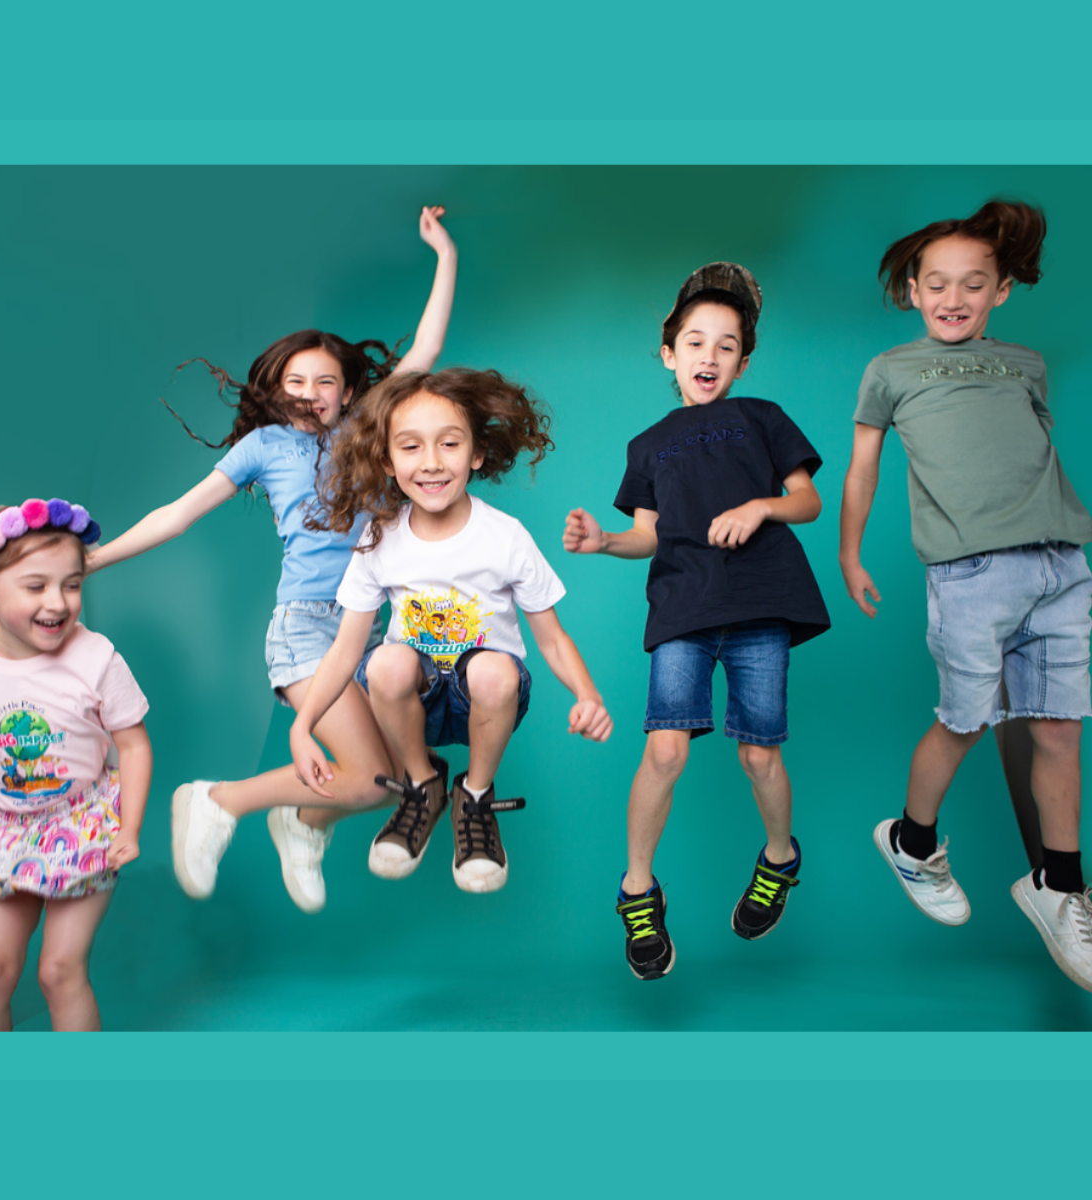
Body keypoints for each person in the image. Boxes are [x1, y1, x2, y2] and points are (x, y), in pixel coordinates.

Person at [86, 206, 456, 914]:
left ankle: (302, 820)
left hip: (378, 627)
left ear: (348, 391)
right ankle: (220, 800)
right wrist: (100, 559)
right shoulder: (261, 449)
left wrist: (443, 254)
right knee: (369, 776)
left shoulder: (369, 426)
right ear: (276, 388)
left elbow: (425, 352)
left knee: (379, 782)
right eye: (296, 380)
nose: (311, 393)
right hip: (308, 625)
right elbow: (180, 513)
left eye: (325, 382)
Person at [840, 199, 1092, 991]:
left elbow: (1030, 450)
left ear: (1001, 292)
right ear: (913, 289)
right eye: (938, 283)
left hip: (1061, 564)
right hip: (972, 575)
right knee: (967, 722)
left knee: (1059, 732)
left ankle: (1059, 885)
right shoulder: (890, 371)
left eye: (974, 284)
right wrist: (850, 554)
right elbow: (862, 470)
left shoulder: (1024, 364)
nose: (955, 297)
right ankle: (912, 843)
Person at [564, 263, 829, 980]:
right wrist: (604, 542)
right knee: (665, 752)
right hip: (683, 608)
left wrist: (760, 506)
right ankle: (637, 890)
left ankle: (780, 858)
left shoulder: (762, 418)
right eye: (694, 342)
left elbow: (807, 501)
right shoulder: (648, 445)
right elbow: (649, 534)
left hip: (759, 605)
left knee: (758, 755)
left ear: (743, 359)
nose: (708, 356)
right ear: (668, 353)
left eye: (726, 345)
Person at [290, 368, 612, 894]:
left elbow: (551, 637)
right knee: (386, 659)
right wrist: (302, 726)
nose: (432, 462)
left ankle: (477, 796)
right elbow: (347, 649)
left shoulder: (504, 537)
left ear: (476, 454)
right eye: (411, 447)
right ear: (388, 462)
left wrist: (588, 694)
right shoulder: (380, 538)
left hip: (489, 698)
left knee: (490, 667)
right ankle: (423, 784)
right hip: (412, 702)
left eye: (449, 444)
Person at [0, 499, 151, 1031]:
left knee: (59, 971)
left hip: (81, 825)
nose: (58, 601)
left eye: (72, 584)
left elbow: (135, 747)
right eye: (36, 586)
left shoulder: (97, 658)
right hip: (1, 826)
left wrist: (129, 829)